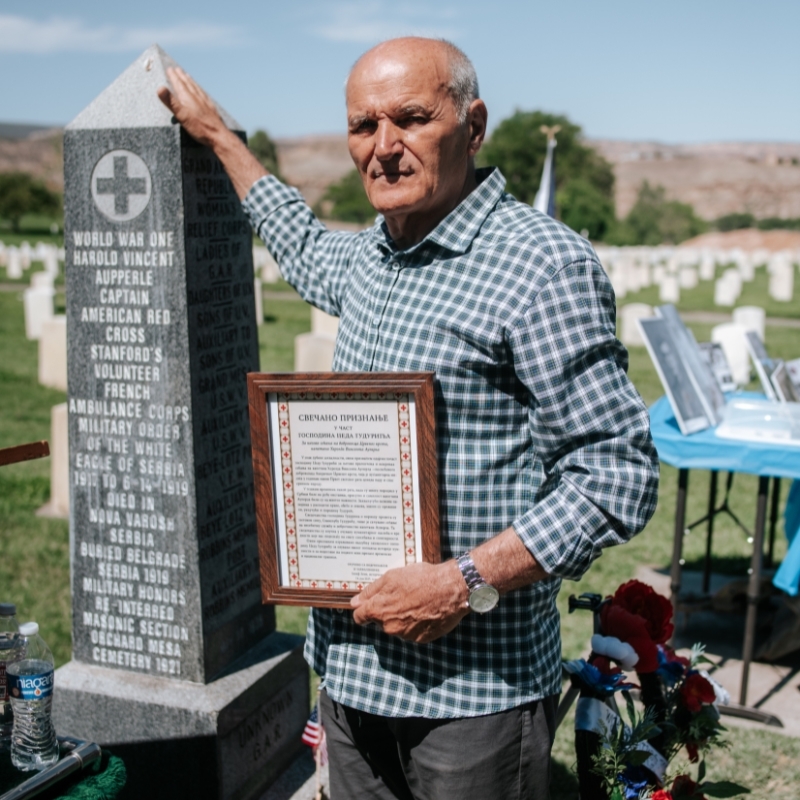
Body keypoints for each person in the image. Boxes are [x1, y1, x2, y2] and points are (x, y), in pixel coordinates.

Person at [158, 37, 659, 799]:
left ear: (473, 123)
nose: (384, 148)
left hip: (471, 701)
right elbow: (297, 238)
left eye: (412, 119)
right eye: (364, 126)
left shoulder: (540, 264)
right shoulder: (371, 259)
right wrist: (221, 137)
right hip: (352, 684)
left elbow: (617, 475)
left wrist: (463, 582)